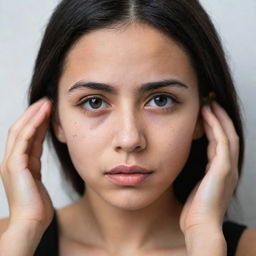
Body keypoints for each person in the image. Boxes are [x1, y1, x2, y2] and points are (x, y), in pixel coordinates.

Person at [0, 0, 255, 255]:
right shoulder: (10, 242)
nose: (129, 138)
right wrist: (24, 234)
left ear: (202, 117)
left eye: (160, 100)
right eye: (94, 102)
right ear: (55, 120)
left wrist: (205, 239)